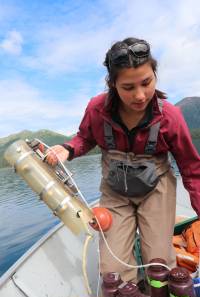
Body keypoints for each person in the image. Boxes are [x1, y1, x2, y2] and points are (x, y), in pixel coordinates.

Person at [46, 37, 200, 283]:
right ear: (113, 84)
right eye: (128, 87)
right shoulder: (97, 109)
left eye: (146, 83)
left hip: (157, 190)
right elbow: (85, 138)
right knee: (113, 269)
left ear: (155, 75)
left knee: (159, 263)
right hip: (115, 192)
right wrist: (68, 149)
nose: (140, 95)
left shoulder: (170, 116)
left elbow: (192, 171)